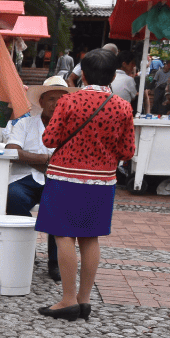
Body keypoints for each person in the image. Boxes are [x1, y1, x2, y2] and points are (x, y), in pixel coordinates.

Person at [37, 48, 135, 321]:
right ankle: (84, 300)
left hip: (64, 177)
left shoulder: (69, 101)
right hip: (101, 180)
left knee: (63, 235)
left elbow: (49, 139)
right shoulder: (123, 107)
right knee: (90, 237)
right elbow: (127, 151)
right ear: (113, 76)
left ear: (82, 75)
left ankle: (67, 299)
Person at [5, 76, 72, 282]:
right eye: (51, 99)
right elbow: (12, 151)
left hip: (57, 179)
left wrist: (29, 157)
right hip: (25, 178)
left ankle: (55, 261)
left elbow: (70, 160)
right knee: (13, 197)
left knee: (60, 204)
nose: (56, 104)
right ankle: (25, 250)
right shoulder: (25, 124)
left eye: (61, 99)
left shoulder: (72, 127)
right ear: (41, 101)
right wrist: (45, 159)